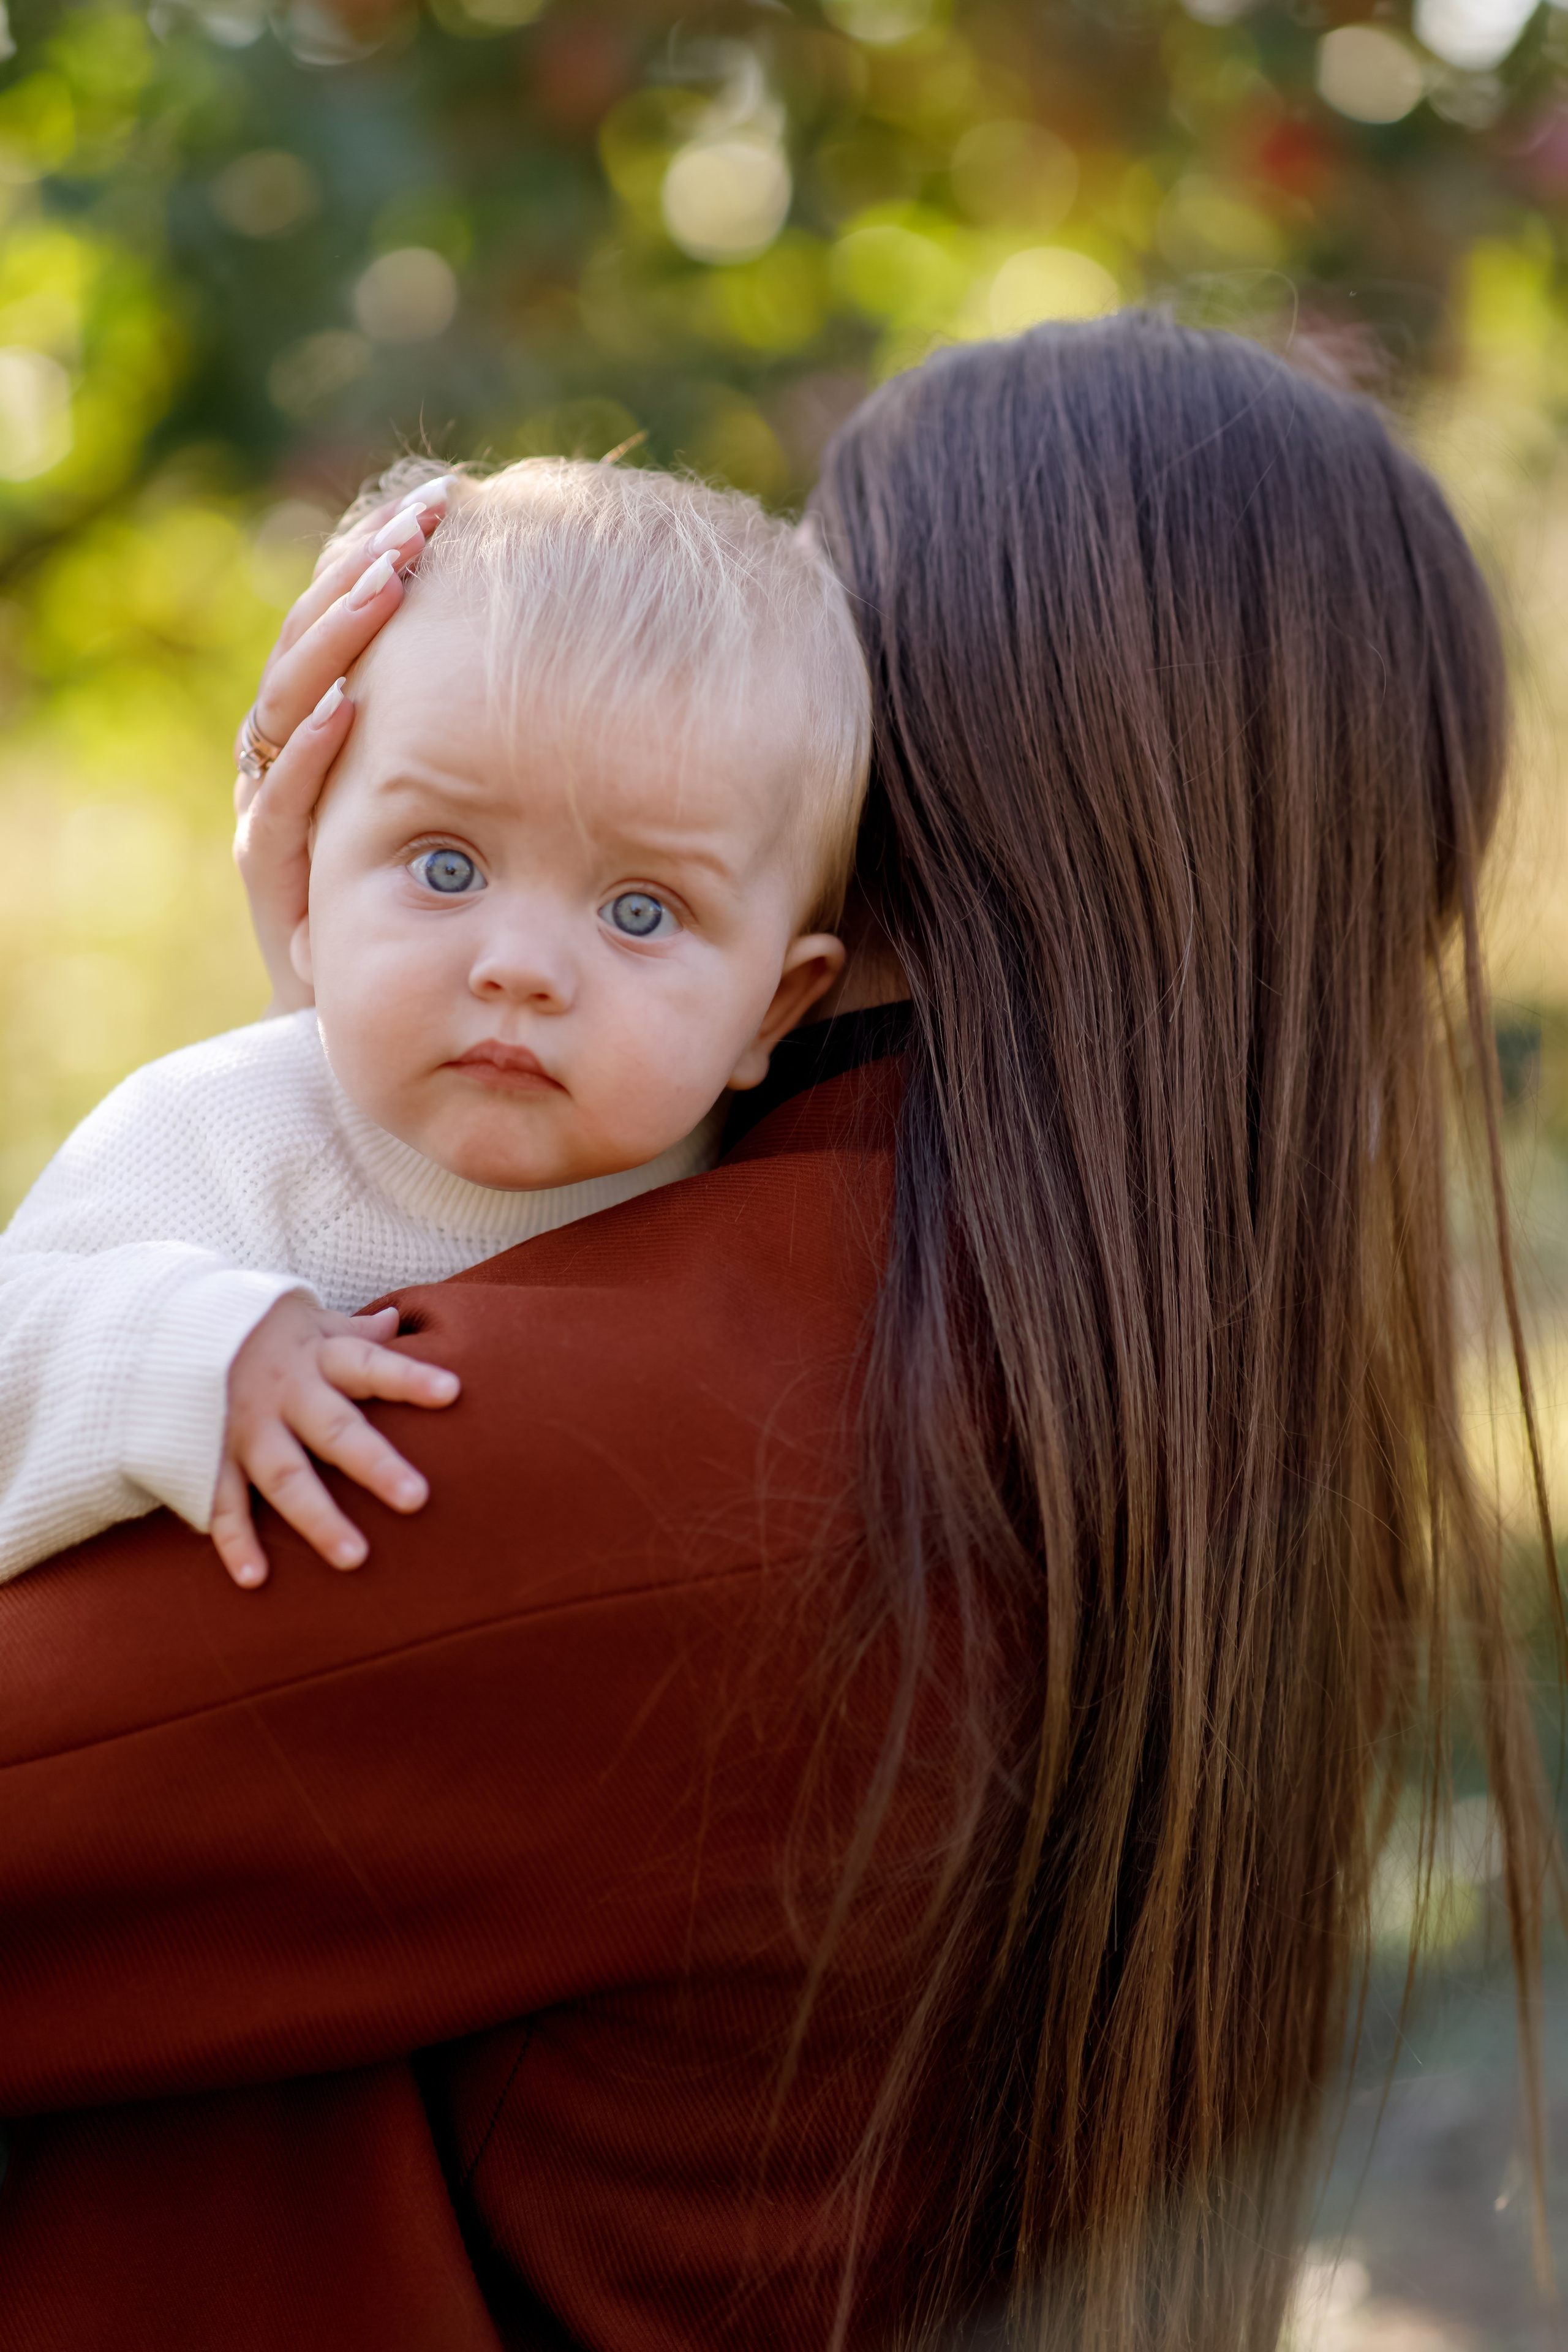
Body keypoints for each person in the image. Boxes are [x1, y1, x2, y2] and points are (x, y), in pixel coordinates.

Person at [0, 313, 1558, 2352]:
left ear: (883, 792)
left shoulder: (659, 1436)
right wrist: (364, 1019)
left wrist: (392, 955)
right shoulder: (1178, 1462)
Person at [0, 459, 866, 1589]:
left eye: (641, 910)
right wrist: (194, 1347)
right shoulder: (220, 1128)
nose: (519, 968)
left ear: (778, 1005)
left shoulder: (765, 1217)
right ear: (307, 883)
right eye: (447, 866)